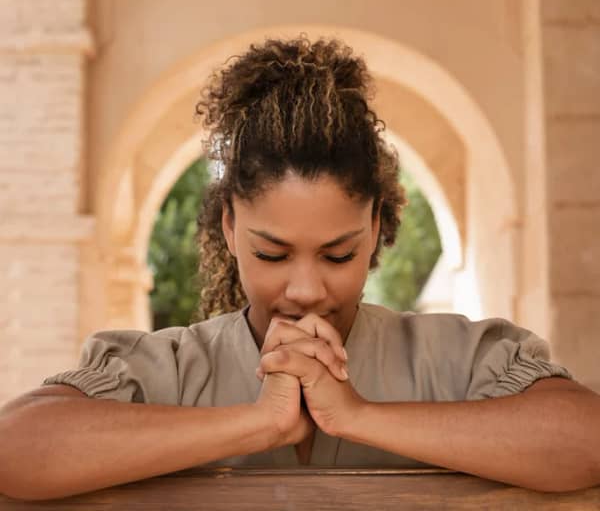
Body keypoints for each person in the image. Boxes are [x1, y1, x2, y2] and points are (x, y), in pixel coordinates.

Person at [1, 36, 599, 502]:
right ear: (230, 229)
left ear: (376, 228)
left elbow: (586, 440)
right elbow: (15, 450)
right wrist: (258, 425)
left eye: (338, 255)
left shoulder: (453, 358)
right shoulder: (173, 371)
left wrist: (357, 416)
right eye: (272, 254)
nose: (307, 290)